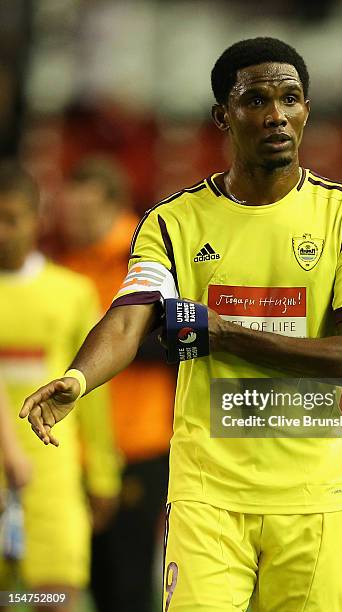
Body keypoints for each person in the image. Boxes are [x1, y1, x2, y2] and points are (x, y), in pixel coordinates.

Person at [20, 37, 342, 612]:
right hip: (206, 497)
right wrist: (78, 378)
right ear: (223, 115)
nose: (276, 116)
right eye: (256, 101)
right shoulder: (172, 224)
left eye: (291, 99)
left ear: (307, 111)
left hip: (314, 497)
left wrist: (221, 333)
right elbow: (127, 322)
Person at [0, 161, 120, 611]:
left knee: (54, 598)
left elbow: (91, 392)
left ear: (37, 218)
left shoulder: (71, 293)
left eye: (11, 218)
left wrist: (103, 472)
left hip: (52, 473)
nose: (2, 231)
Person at [58, 156, 174, 612]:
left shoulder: (148, 262)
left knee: (127, 584)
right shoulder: (70, 266)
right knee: (93, 579)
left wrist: (112, 344)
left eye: (86, 213)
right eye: (70, 213)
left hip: (139, 443)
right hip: (83, 449)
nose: (76, 222)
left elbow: (178, 340)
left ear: (113, 206)